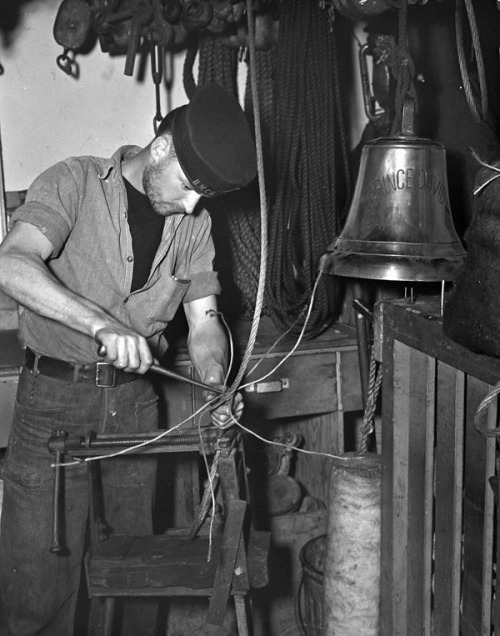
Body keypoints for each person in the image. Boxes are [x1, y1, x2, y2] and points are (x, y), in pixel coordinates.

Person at [0, 83, 257, 636]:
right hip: (53, 405)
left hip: (134, 410)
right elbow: (12, 264)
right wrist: (100, 323)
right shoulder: (74, 182)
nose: (192, 206)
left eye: (203, 195)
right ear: (161, 147)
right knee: (39, 589)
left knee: (136, 581)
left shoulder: (195, 224)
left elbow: (205, 322)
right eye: (190, 187)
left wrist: (215, 379)